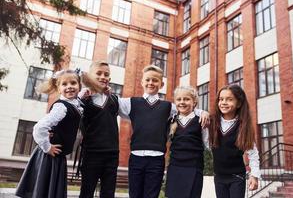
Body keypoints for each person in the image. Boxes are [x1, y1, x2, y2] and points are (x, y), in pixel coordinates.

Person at [118, 65, 210, 198]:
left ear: (161, 84)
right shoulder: (131, 102)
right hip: (136, 157)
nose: (151, 83)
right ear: (142, 82)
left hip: (157, 159)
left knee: (151, 195)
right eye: (148, 80)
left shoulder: (168, 106)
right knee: (134, 194)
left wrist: (203, 112)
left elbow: (186, 109)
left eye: (155, 80)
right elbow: (112, 103)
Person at [15, 69, 100, 198]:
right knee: (43, 193)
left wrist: (83, 93)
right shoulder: (61, 107)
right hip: (49, 157)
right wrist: (47, 147)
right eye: (64, 84)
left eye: (73, 83)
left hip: (57, 157)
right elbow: (39, 128)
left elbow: (76, 101)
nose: (69, 86)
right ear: (59, 89)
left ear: (79, 86)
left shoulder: (73, 102)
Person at [209, 84, 260, 198]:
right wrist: (202, 113)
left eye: (229, 99)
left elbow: (253, 154)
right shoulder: (212, 122)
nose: (223, 102)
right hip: (219, 177)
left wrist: (254, 175)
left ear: (239, 103)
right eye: (221, 99)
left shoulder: (243, 126)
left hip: (237, 177)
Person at [78, 61, 119, 198]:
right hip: (91, 153)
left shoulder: (113, 99)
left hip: (112, 154)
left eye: (106, 74)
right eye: (99, 73)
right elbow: (67, 109)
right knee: (86, 192)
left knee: (108, 193)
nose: (103, 77)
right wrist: (80, 95)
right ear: (90, 77)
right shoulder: (83, 100)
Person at [165, 86, 209, 198]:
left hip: (194, 167)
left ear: (194, 102)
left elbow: (208, 144)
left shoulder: (201, 121)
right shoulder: (171, 120)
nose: (182, 102)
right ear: (175, 102)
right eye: (179, 99)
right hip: (175, 167)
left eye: (186, 99)